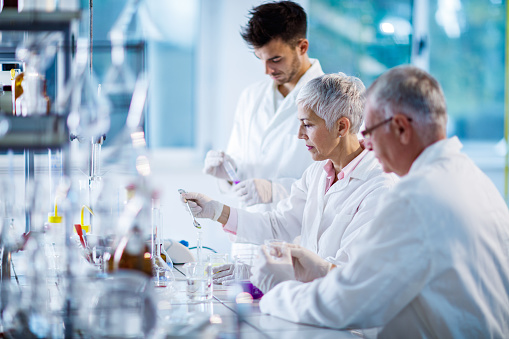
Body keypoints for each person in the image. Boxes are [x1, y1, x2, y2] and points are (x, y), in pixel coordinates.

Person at [251, 65, 509, 338]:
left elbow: (346, 304)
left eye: (369, 131)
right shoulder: (471, 178)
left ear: (400, 128)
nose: (366, 144)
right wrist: (325, 270)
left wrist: (278, 291)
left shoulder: (416, 198)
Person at [181, 72, 398, 284]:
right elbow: (280, 225)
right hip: (309, 299)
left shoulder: (379, 188)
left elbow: (347, 273)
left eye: (308, 124)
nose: (299, 134)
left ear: (341, 126)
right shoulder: (317, 173)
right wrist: (216, 211)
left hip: (342, 311)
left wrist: (273, 274)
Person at [203, 1, 323, 212]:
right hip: (248, 234)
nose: (267, 70)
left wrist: (277, 191)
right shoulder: (251, 97)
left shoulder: (331, 99)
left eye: (275, 59)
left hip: (296, 237)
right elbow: (242, 167)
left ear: (302, 47)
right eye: (260, 58)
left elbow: (338, 181)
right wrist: (229, 172)